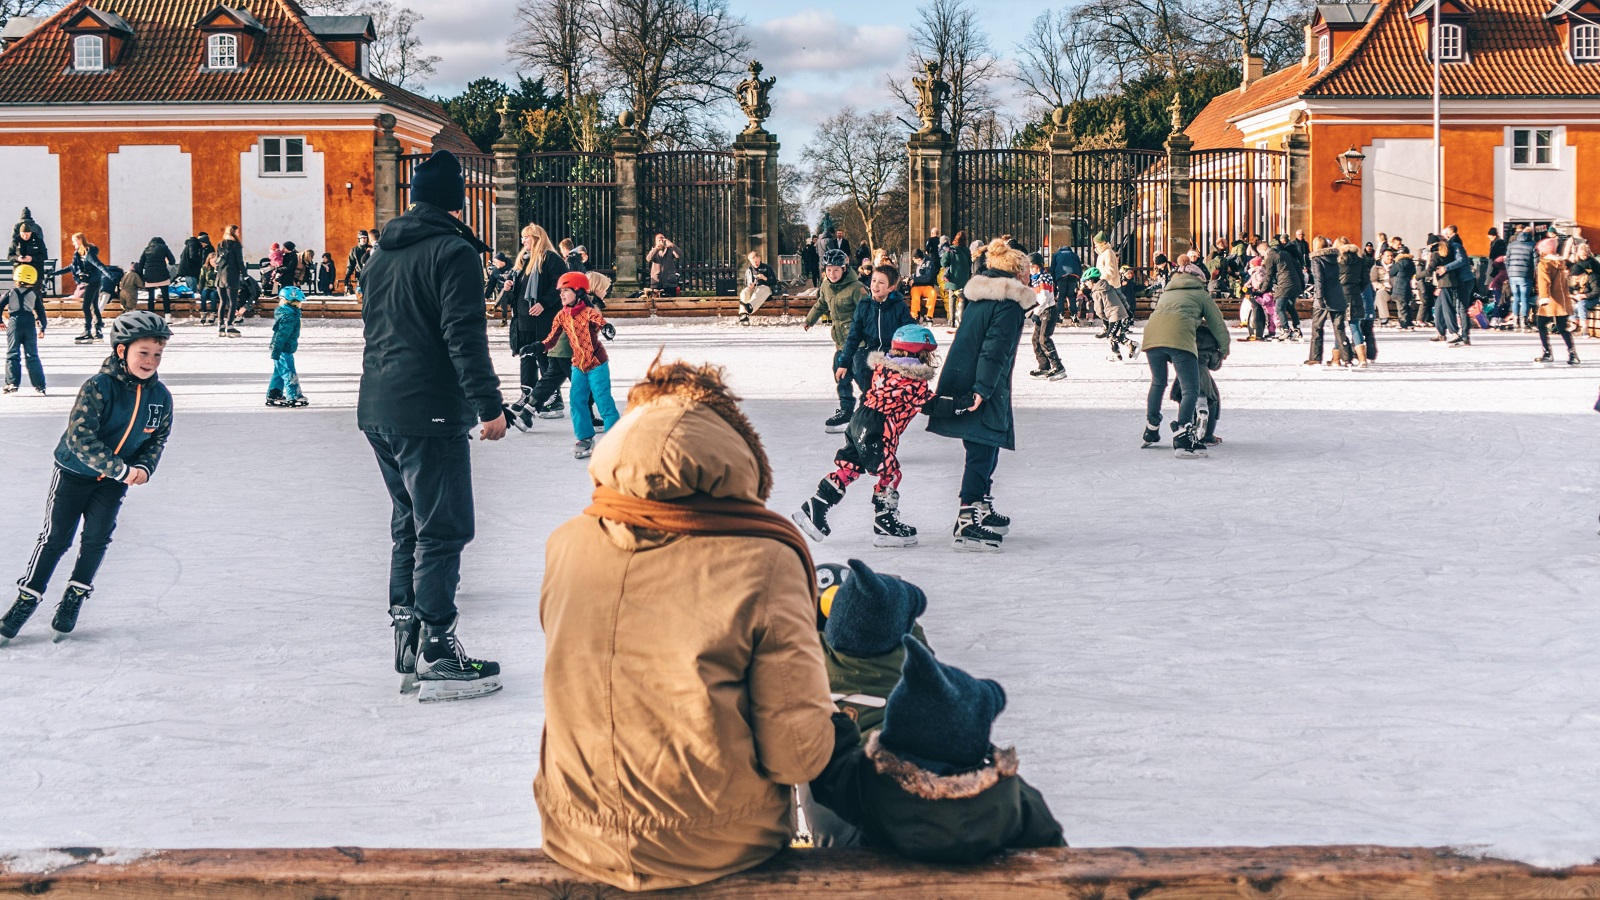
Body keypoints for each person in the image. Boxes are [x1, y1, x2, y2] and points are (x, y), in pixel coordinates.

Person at [535, 357, 835, 891]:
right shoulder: (763, 560)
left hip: (577, 833)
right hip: (719, 841)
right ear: (736, 457)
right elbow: (797, 753)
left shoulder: (566, 544)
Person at [356, 149, 508, 703]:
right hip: (428, 410)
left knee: (410, 522)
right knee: (443, 528)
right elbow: (463, 336)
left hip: (379, 408)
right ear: (457, 201)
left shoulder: (382, 255)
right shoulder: (454, 252)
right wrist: (488, 406)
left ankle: (408, 634)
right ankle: (438, 649)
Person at [1, 311, 174, 645]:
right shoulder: (98, 387)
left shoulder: (160, 397)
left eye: (157, 354)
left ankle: (75, 595)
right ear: (122, 351)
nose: (151, 360)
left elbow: (157, 439)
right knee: (55, 539)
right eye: (143, 352)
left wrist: (144, 468)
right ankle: (28, 596)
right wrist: (121, 469)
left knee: (97, 538)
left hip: (112, 484)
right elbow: (81, 438)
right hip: (74, 475)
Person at [809, 636, 1066, 861]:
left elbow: (827, 764)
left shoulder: (867, 787)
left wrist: (835, 718)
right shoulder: (1015, 803)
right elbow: (1059, 859)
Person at [925, 239, 1033, 552]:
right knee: (983, 448)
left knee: (987, 443)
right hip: (982, 385)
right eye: (1025, 270)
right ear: (1015, 271)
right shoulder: (1008, 303)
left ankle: (981, 506)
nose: (1029, 276)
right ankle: (966, 519)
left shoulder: (979, 295)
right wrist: (983, 389)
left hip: (963, 378)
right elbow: (994, 349)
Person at [795, 324, 939, 548]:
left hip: (859, 420)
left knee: (849, 468)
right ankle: (885, 524)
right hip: (878, 429)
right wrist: (964, 405)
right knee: (890, 474)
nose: (929, 358)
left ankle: (815, 506)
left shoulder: (885, 369)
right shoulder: (911, 380)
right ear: (917, 353)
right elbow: (931, 405)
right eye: (926, 354)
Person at [813, 558, 931, 733]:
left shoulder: (811, 653)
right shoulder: (910, 655)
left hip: (830, 747)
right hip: (893, 743)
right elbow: (913, 632)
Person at [1139, 267, 1230, 458]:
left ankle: (1151, 428)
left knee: (1158, 382)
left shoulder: (1168, 292)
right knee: (1191, 390)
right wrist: (1224, 348)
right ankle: (1182, 434)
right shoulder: (1201, 294)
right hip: (1180, 340)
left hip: (1152, 337)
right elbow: (1217, 323)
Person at [540, 270, 621, 459]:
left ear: (578, 292)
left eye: (565, 291)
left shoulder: (588, 312)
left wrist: (608, 328)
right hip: (578, 365)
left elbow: (600, 322)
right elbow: (550, 340)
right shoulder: (561, 316)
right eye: (560, 292)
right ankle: (584, 437)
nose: (561, 295)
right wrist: (537, 347)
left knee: (602, 400)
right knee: (576, 400)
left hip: (596, 363)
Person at [509, 223, 567, 419]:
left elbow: (560, 287)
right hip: (523, 319)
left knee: (544, 357)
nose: (523, 241)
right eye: (523, 237)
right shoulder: (522, 261)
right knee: (526, 357)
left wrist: (544, 303)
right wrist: (510, 285)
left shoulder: (551, 259)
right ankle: (528, 394)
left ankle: (553, 399)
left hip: (543, 319)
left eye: (527, 237)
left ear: (537, 238)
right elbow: (519, 292)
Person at [804, 248, 866, 433]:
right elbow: (821, 303)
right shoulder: (826, 285)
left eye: (836, 270)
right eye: (829, 270)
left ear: (845, 268)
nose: (832, 274)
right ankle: (847, 410)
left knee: (861, 375)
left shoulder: (856, 288)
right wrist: (810, 319)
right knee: (839, 373)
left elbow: (867, 313)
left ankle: (872, 410)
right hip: (840, 340)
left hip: (859, 342)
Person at [838, 264, 915, 404]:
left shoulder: (899, 306)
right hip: (869, 352)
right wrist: (844, 362)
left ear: (891, 287)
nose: (875, 285)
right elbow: (853, 336)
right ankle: (869, 401)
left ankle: (881, 406)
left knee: (887, 387)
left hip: (891, 354)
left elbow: (909, 330)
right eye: (873, 281)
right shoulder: (864, 305)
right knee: (860, 365)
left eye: (881, 282)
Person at [1305, 236, 1354, 366]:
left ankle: (1315, 357)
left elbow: (1319, 280)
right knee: (1339, 328)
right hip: (1338, 296)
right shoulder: (1335, 258)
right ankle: (1347, 357)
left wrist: (1319, 298)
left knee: (1317, 328)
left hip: (1324, 298)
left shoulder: (1316, 259)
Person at [1535, 236, 1580, 366]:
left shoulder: (1544, 264)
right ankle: (1572, 353)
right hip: (1563, 301)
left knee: (1541, 325)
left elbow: (1544, 282)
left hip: (1549, 301)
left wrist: (1544, 297)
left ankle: (1547, 353)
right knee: (1562, 328)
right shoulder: (1561, 263)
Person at [3, 263, 47, 394]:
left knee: (12, 353)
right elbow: (40, 312)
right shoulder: (34, 295)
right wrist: (42, 327)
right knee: (32, 355)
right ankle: (40, 385)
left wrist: (0, 321)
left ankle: (12, 383)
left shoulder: (10, 293)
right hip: (29, 323)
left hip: (14, 323)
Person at [266, 286, 308, 408]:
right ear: (292, 302)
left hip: (283, 349)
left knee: (279, 373)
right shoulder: (289, 317)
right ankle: (293, 395)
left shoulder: (291, 313)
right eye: (298, 302)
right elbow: (281, 336)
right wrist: (276, 351)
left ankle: (274, 394)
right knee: (289, 372)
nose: (300, 304)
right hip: (282, 350)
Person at [68, 232, 111, 344]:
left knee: (86, 306)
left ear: (80, 240)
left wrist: (109, 275)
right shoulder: (78, 254)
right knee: (94, 306)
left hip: (93, 282)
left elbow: (99, 265)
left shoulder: (89, 253)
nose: (73, 244)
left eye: (74, 241)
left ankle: (88, 331)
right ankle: (98, 331)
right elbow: (72, 267)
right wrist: (55, 273)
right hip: (91, 282)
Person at [1026, 252, 1063, 380]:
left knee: (1044, 339)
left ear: (1038, 266)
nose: (1030, 270)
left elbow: (1045, 298)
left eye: (1032, 267)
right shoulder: (1036, 279)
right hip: (1041, 311)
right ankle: (1044, 366)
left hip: (1048, 311)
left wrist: (1036, 313)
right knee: (1035, 340)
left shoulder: (1044, 277)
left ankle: (1058, 367)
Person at [215, 225, 245, 337]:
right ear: (233, 232)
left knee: (222, 302)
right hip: (231, 276)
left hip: (220, 276)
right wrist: (245, 274)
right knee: (233, 302)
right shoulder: (236, 245)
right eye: (237, 232)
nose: (238, 234)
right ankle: (230, 326)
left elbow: (217, 260)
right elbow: (239, 261)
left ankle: (221, 326)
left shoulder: (220, 244)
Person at [1504, 229, 1537, 332]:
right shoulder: (1532, 245)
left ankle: (1515, 321)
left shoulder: (1511, 245)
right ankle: (1524, 323)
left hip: (1513, 275)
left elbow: (1507, 260)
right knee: (1524, 299)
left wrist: (1509, 272)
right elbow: (1536, 262)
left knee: (1516, 298)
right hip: (1525, 275)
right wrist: (1534, 276)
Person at [137, 236, 175, 318]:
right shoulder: (164, 248)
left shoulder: (146, 249)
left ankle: (151, 316)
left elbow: (140, 265)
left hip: (149, 275)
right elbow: (172, 261)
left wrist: (142, 277)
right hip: (162, 275)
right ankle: (167, 317)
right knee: (165, 297)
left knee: (151, 297)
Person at [941, 230, 971, 330]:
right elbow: (970, 263)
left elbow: (944, 263)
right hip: (964, 279)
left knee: (952, 299)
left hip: (952, 279)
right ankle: (961, 320)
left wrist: (946, 252)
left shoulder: (951, 249)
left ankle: (952, 321)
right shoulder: (966, 250)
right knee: (962, 299)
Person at [738, 249, 776, 325]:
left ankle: (750, 306)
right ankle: (743, 314)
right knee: (744, 292)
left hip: (765, 289)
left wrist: (765, 278)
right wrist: (750, 285)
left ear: (759, 259)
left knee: (761, 289)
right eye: (753, 262)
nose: (755, 263)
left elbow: (774, 281)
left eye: (756, 261)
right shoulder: (749, 270)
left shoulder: (767, 268)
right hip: (754, 290)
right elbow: (746, 283)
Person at [1049, 239, 1083, 324]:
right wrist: (1078, 278)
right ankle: (1074, 315)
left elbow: (1052, 268)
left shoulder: (1056, 254)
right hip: (1073, 276)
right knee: (1071, 296)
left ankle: (1060, 315)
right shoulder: (1074, 255)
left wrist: (1054, 280)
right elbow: (1079, 266)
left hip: (1061, 277)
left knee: (1061, 296)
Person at [1390, 243, 1417, 330]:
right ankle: (1408, 321)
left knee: (1401, 306)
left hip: (1399, 288)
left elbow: (1391, 272)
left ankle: (1403, 322)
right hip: (1407, 287)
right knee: (1406, 305)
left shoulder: (1399, 263)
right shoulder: (1411, 263)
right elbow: (1413, 272)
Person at [908, 248, 939, 324]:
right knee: (915, 295)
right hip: (917, 287)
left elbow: (927, 278)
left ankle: (929, 315)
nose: (913, 261)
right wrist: (910, 278)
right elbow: (917, 275)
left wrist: (915, 280)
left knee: (933, 293)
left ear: (918, 258)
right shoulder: (918, 264)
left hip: (927, 286)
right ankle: (915, 315)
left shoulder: (929, 263)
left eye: (913, 259)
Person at [345, 230, 372, 297]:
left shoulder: (371, 248)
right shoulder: (354, 250)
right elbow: (351, 265)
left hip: (371, 276)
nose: (363, 239)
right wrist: (347, 277)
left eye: (365, 237)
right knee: (360, 296)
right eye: (362, 237)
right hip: (359, 276)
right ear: (359, 239)